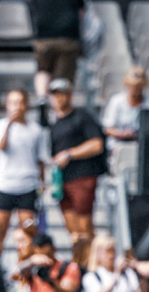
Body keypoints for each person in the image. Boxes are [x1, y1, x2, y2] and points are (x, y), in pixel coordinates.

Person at [48, 78, 106, 267]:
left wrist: (70, 154)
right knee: (73, 230)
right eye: (55, 95)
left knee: (85, 227)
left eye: (62, 94)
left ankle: (91, 265)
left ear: (70, 95)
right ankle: (79, 264)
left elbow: (97, 144)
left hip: (82, 176)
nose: (58, 98)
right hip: (63, 181)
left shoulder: (82, 116)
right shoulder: (55, 123)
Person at [0, 88, 49, 252]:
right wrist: (10, 124)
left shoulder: (36, 130)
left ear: (27, 105)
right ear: (7, 105)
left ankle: (26, 264)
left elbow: (40, 159)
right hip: (4, 185)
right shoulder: (0, 125)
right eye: (13, 102)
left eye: (21, 102)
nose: (17, 106)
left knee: (29, 230)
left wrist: (43, 182)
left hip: (28, 186)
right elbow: (1, 146)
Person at [15, 231, 81, 292]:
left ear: (53, 250)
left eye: (46, 254)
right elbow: (13, 276)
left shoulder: (67, 267)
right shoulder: (32, 268)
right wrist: (31, 262)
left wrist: (50, 281)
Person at [77, 234, 144, 292]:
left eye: (114, 251)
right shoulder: (91, 277)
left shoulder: (127, 273)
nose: (112, 255)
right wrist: (116, 276)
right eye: (108, 251)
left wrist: (139, 271)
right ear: (98, 253)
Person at [29, 0, 83, 103]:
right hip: (68, 37)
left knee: (43, 70)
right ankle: (59, 106)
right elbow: (81, 11)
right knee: (63, 79)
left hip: (43, 37)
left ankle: (42, 99)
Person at [101, 66, 149, 153]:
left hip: (140, 145)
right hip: (118, 145)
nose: (136, 90)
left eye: (139, 86)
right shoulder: (116, 101)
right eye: (134, 86)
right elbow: (108, 129)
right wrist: (123, 134)